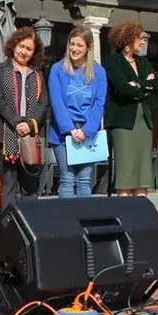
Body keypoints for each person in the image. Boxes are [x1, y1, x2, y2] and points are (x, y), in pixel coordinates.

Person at [0, 26, 49, 209]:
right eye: (21, 46)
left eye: (29, 49)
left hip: (31, 135)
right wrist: (17, 122)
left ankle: (31, 227)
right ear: (14, 46)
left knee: (30, 185)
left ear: (34, 53)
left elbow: (43, 103)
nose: (24, 51)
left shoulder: (38, 74)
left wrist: (30, 125)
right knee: (8, 184)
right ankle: (7, 228)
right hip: (6, 133)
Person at [103, 20, 158, 196]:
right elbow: (122, 88)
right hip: (122, 122)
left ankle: (141, 212)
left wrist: (137, 84)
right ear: (128, 40)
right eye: (140, 38)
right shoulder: (112, 61)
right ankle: (126, 213)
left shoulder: (143, 62)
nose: (143, 42)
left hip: (144, 121)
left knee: (143, 170)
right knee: (126, 170)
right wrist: (144, 87)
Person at [48, 27, 106, 199]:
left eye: (79, 45)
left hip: (87, 134)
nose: (74, 49)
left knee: (83, 180)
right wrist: (70, 129)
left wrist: (87, 131)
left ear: (88, 47)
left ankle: (84, 221)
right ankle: (66, 223)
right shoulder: (57, 70)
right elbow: (56, 102)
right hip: (63, 135)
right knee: (67, 179)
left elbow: (99, 103)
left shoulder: (99, 72)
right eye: (72, 44)